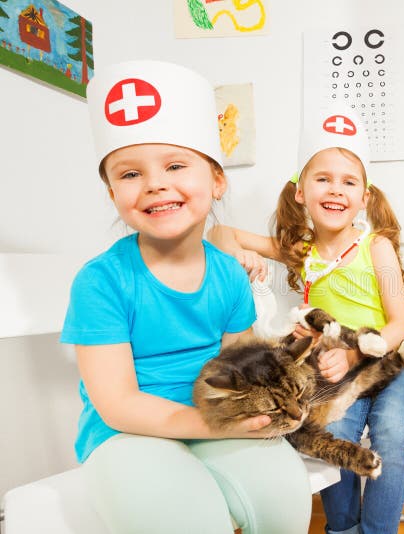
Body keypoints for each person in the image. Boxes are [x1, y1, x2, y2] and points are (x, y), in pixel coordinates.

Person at [60, 60, 311, 534]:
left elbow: (242, 366)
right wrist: (220, 425)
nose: (155, 183)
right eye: (130, 173)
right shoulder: (101, 282)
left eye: (175, 165)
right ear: (113, 194)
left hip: (217, 416)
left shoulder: (228, 277)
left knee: (284, 495)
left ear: (217, 180)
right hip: (125, 435)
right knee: (184, 517)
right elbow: (118, 404)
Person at [208, 108, 404, 534]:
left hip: (395, 359)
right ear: (300, 192)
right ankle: (342, 529)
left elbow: (400, 323)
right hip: (331, 370)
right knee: (332, 438)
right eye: (322, 178)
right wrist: (240, 254)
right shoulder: (300, 249)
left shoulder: (376, 247)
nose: (335, 190)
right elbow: (219, 234)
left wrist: (352, 356)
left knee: (394, 438)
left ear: (365, 197)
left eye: (349, 182)